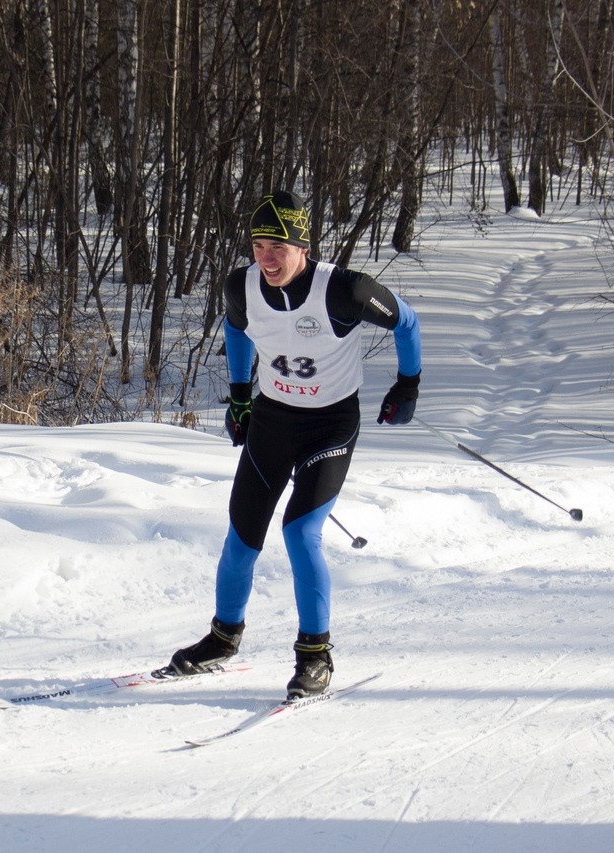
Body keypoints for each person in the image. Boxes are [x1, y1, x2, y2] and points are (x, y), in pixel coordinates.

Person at [158, 190, 422, 700]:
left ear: (303, 245)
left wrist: (407, 383)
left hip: (331, 424)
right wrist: (239, 396)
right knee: (241, 536)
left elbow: (406, 321)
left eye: (278, 246)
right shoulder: (242, 285)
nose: (266, 258)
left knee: (300, 533)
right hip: (274, 420)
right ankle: (222, 638)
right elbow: (237, 328)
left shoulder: (345, 289)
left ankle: (315, 656)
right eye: (258, 245)